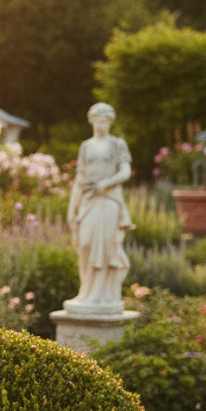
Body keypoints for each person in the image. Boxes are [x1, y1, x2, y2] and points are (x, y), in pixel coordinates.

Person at [65, 102, 134, 312]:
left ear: (110, 122)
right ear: (91, 120)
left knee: (104, 247)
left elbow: (125, 171)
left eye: (105, 119)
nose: (101, 123)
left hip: (108, 201)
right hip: (88, 201)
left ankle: (101, 295)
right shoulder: (86, 146)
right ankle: (86, 292)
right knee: (84, 244)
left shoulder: (117, 144)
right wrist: (71, 208)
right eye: (98, 118)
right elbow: (79, 178)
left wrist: (106, 183)